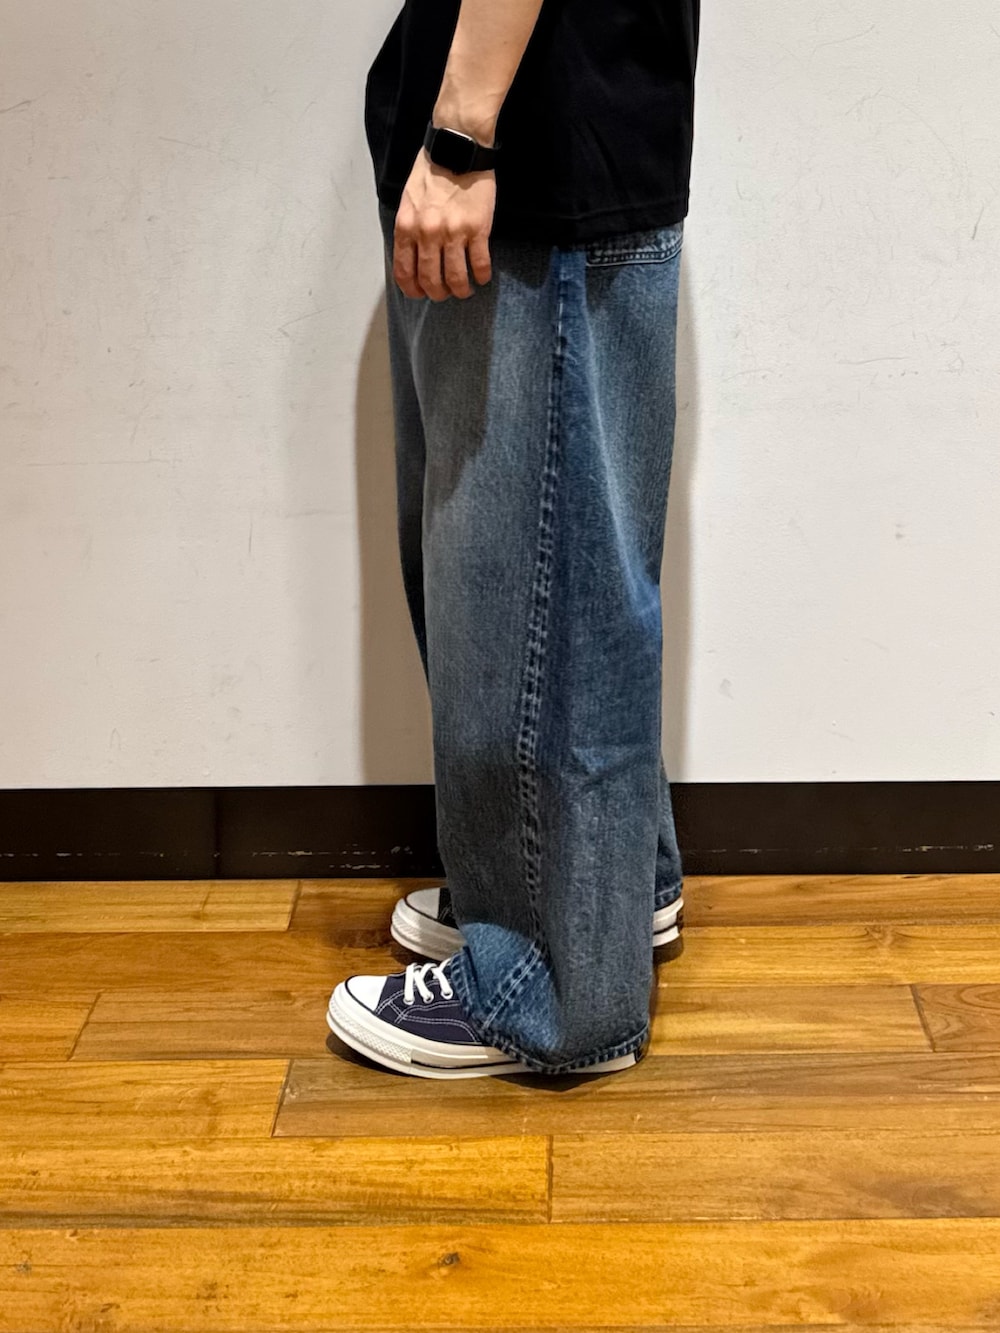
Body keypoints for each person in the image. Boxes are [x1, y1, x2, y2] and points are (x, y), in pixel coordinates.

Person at [326, 0, 699, 1079]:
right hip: (546, 124)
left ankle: (552, 983)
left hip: (531, 146)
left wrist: (460, 136)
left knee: (532, 587)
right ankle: (607, 893)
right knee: (540, 559)